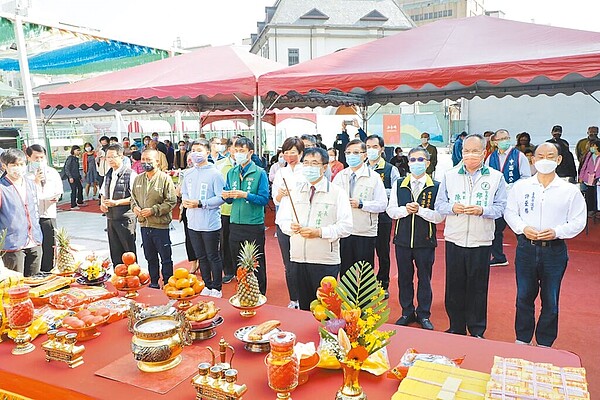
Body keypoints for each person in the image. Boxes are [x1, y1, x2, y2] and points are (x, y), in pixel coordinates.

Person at [504, 143, 586, 347]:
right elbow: (510, 212)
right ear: (533, 160)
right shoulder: (521, 187)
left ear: (559, 160)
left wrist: (557, 232)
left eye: (550, 156)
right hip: (526, 248)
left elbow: (578, 221)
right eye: (540, 156)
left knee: (551, 299)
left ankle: (545, 342)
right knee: (524, 296)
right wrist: (522, 228)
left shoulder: (569, 191)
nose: (544, 160)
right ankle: (522, 339)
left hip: (554, 251)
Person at [434, 133, 507, 338]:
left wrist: (483, 211)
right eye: (467, 151)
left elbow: (501, 207)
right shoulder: (450, 175)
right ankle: (456, 326)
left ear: (484, 153)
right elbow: (439, 205)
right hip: (455, 238)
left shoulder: (495, 177)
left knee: (478, 287)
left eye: (475, 151)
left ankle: (476, 330)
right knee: (454, 286)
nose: (470, 155)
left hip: (481, 239)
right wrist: (453, 207)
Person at [278, 147, 353, 310]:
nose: (309, 167)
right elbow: (282, 220)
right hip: (298, 258)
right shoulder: (294, 191)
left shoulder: (337, 193)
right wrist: (290, 227)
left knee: (327, 307)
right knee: (305, 307)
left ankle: (327, 335)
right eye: (306, 163)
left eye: (314, 163)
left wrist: (319, 232)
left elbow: (346, 227)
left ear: (325, 167)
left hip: (324, 260)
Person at [387, 147, 444, 330]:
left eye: (421, 160)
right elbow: (391, 211)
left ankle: (424, 314)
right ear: (408, 163)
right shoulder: (399, 184)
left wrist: (420, 211)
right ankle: (407, 311)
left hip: (425, 241)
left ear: (427, 163)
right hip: (402, 240)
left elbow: (439, 216)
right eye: (413, 160)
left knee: (424, 278)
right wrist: (405, 210)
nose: (416, 163)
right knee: (404, 278)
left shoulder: (436, 186)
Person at [222, 137, 269, 294]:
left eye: (242, 151)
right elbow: (228, 200)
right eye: (236, 151)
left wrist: (245, 195)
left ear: (250, 152)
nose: (238, 154)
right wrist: (226, 195)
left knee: (256, 262)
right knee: (238, 261)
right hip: (235, 222)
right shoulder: (232, 172)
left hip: (253, 224)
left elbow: (264, 199)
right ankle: (243, 291)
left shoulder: (260, 173)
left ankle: (260, 293)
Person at [333, 139, 387, 276]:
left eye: (356, 152)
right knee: (345, 270)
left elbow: (382, 204)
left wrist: (362, 204)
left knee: (365, 271)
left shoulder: (374, 177)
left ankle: (365, 297)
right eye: (348, 152)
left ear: (365, 155)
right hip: (344, 231)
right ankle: (346, 296)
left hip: (364, 231)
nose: (352, 156)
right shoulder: (340, 176)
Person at [181, 139, 226, 298]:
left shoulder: (215, 174)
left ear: (208, 152)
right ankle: (207, 283)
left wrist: (201, 203)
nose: (195, 153)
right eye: (193, 150)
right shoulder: (188, 173)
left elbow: (221, 197)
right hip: (193, 222)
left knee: (212, 255)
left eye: (199, 150)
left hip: (210, 223)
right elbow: (184, 191)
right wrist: (186, 200)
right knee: (201, 256)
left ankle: (217, 287)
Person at [131, 149, 177, 288]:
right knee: (150, 256)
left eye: (149, 160)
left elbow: (171, 201)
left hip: (160, 225)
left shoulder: (164, 178)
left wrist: (153, 210)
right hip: (144, 225)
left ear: (157, 161)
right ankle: (154, 281)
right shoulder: (139, 179)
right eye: (143, 159)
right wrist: (135, 208)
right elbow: (133, 198)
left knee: (165, 257)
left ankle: (168, 282)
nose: (145, 162)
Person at [485, 129, 531, 267]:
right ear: (495, 142)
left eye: (507, 138)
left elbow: (526, 177)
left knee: (519, 228)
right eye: (501, 139)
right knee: (496, 229)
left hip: (514, 199)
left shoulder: (518, 156)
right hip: (498, 199)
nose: (505, 141)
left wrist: (512, 186)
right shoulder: (491, 157)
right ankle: (499, 256)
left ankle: (526, 258)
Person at [366, 134, 400, 298]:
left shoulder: (390, 169)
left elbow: (397, 192)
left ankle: (383, 284)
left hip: (382, 217)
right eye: (368, 147)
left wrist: (378, 193)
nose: (371, 150)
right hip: (363, 216)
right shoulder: (361, 168)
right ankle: (366, 284)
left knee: (382, 251)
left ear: (381, 149)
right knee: (365, 252)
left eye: (374, 147)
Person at [273, 137, 306, 309]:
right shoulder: (280, 173)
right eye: (286, 153)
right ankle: (294, 299)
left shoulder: (307, 171)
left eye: (293, 152)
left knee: (302, 262)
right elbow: (276, 200)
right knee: (289, 264)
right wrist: (280, 194)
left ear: (301, 153)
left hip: (301, 223)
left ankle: (305, 297)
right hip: (283, 222)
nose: (289, 156)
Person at [0, 148, 43, 276]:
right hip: (13, 244)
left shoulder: (30, 184)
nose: (18, 168)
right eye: (14, 165)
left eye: (21, 164)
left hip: (34, 240)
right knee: (16, 287)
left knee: (35, 283)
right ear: (4, 166)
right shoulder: (2, 188)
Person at [25, 145, 62, 273]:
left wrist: (55, 196)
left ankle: (48, 270)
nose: (39, 160)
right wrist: (35, 182)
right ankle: (33, 272)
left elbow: (58, 190)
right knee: (34, 246)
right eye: (36, 158)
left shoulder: (52, 172)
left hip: (48, 214)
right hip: (31, 217)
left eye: (42, 157)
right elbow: (25, 195)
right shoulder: (24, 174)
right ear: (28, 157)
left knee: (49, 244)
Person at [100, 144, 138, 267]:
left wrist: (117, 203)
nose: (110, 160)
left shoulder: (130, 174)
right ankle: (118, 274)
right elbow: (103, 192)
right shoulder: (108, 174)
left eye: (113, 157)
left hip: (125, 217)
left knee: (128, 250)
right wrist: (102, 202)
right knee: (115, 249)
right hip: (111, 217)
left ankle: (132, 274)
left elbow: (135, 197)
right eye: (107, 157)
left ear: (121, 156)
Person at [217, 138, 236, 284]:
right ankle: (229, 270)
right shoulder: (220, 165)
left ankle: (244, 271)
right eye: (235, 147)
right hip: (225, 210)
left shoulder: (253, 166)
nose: (237, 150)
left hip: (244, 213)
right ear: (229, 149)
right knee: (225, 242)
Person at [578, 139, 600, 214]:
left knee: (596, 196)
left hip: (597, 179)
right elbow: (584, 166)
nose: (592, 147)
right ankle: (590, 211)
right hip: (588, 179)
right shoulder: (589, 154)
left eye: (593, 146)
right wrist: (581, 177)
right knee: (589, 195)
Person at [64, 145, 85, 210]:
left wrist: (80, 177)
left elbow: (76, 169)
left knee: (80, 188)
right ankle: (73, 205)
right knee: (74, 190)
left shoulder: (76, 158)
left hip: (76, 177)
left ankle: (80, 201)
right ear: (73, 151)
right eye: (77, 150)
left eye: (79, 150)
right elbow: (67, 168)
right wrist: (70, 177)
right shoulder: (70, 158)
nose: (79, 151)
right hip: (72, 177)